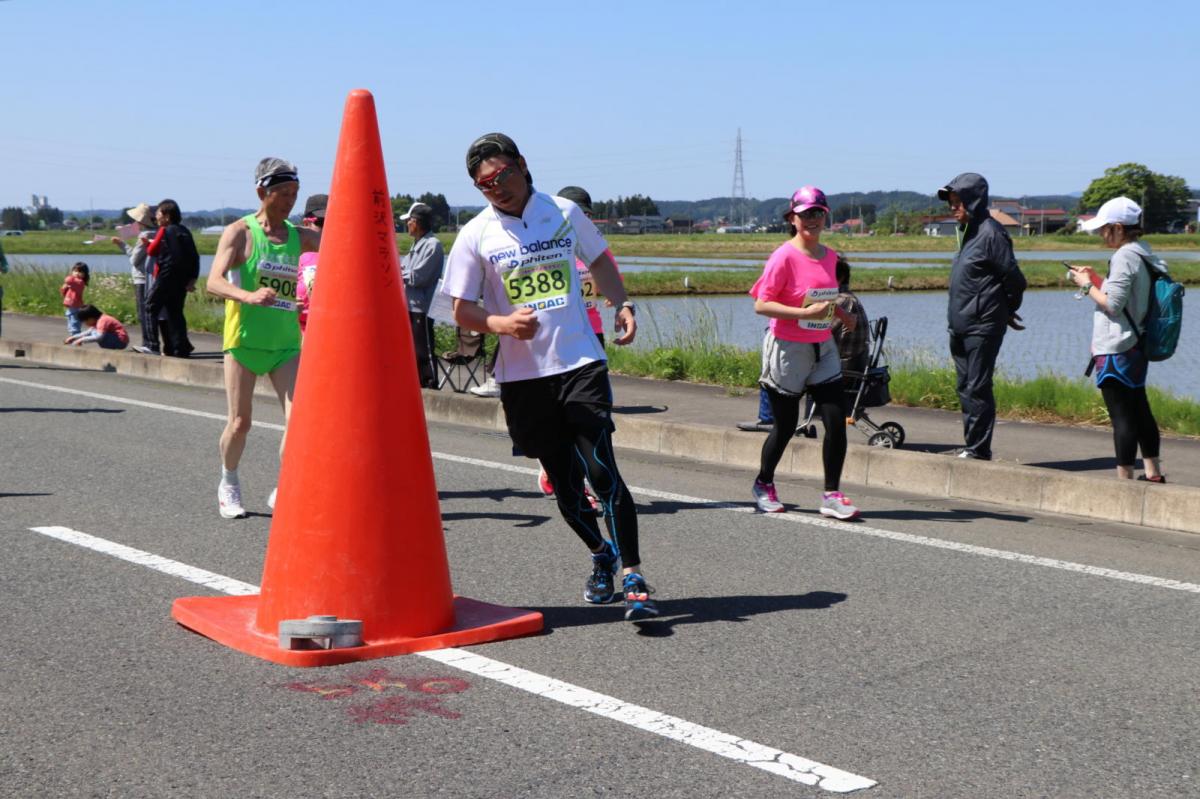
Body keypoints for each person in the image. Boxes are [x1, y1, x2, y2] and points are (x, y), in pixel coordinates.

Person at [441, 132, 657, 622]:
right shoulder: (476, 234)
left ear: (521, 164)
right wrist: (500, 324)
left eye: (501, 176)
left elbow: (600, 259)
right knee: (564, 485)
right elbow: (461, 310)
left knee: (602, 470)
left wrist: (621, 303)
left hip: (579, 361)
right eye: (484, 184)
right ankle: (601, 554)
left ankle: (633, 574)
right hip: (523, 379)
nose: (495, 188)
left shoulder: (563, 211)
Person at [205, 157, 320, 519]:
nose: (289, 200)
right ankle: (229, 483)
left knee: (300, 423)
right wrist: (248, 296)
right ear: (261, 192)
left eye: (294, 193)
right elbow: (214, 281)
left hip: (285, 344)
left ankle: (284, 487)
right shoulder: (240, 232)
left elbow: (345, 245)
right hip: (244, 342)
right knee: (240, 422)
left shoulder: (299, 235)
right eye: (283, 193)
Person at [749, 186, 860, 520]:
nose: (812, 219)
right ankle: (763, 483)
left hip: (823, 346)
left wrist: (842, 314)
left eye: (818, 213)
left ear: (826, 217)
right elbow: (761, 304)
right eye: (805, 213)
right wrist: (803, 316)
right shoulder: (783, 256)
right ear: (792, 219)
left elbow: (824, 296)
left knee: (835, 421)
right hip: (786, 347)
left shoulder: (830, 256)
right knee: (785, 425)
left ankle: (831, 494)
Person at [1068, 196, 1165, 483]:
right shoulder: (1143, 251)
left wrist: (1086, 286)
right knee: (1140, 411)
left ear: (1120, 228)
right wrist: (1098, 279)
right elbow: (1125, 297)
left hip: (1116, 347)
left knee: (1122, 417)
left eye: (1104, 228)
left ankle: (1123, 483)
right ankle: (1153, 473)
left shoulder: (1124, 256)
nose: (1101, 234)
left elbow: (1113, 305)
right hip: (1136, 344)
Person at [938, 173, 1027, 461]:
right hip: (961, 323)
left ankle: (978, 450)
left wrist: (1007, 310)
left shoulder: (991, 232)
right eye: (950, 203)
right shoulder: (969, 232)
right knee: (965, 386)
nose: (953, 208)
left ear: (973, 201)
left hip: (982, 324)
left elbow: (1014, 278)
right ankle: (972, 445)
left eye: (957, 202)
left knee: (977, 386)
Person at [144, 199, 200, 358]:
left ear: (167, 216)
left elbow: (173, 258)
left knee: (149, 305)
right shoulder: (184, 230)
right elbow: (194, 256)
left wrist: (164, 278)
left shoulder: (168, 231)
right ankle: (180, 348)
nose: (156, 216)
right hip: (182, 280)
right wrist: (192, 278)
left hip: (167, 277)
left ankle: (151, 345)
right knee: (174, 312)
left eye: (158, 213)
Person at [400, 202, 445, 388]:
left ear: (416, 222)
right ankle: (417, 383)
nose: (406, 224)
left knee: (423, 349)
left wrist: (394, 272)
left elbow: (418, 277)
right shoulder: (417, 243)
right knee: (412, 349)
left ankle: (430, 383)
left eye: (408, 220)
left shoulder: (433, 245)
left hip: (422, 307)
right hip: (410, 305)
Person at [113, 203, 160, 354]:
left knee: (143, 312)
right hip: (153, 276)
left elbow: (134, 259)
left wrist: (122, 245)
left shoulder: (145, 235)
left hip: (141, 277)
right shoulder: (158, 232)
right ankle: (150, 343)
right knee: (152, 311)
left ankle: (149, 344)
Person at [295, 193, 326, 335]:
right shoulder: (293, 254)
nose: (328, 227)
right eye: (321, 222)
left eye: (333, 221)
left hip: (336, 333)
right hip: (298, 335)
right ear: (306, 223)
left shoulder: (350, 255)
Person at [63, 305, 129, 349]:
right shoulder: (98, 320)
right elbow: (87, 332)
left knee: (95, 332)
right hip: (116, 339)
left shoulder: (103, 320)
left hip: (120, 342)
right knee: (92, 331)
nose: (85, 324)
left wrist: (81, 340)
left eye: (85, 321)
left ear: (91, 318)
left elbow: (98, 337)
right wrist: (73, 338)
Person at [59, 263, 90, 335]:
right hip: (71, 306)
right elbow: (64, 292)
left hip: (76, 306)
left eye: (80, 272)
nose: (77, 273)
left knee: (74, 323)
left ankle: (76, 338)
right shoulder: (74, 282)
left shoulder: (80, 282)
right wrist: (64, 288)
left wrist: (71, 277)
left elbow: (68, 280)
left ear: (84, 274)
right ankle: (73, 337)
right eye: (75, 271)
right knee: (70, 323)